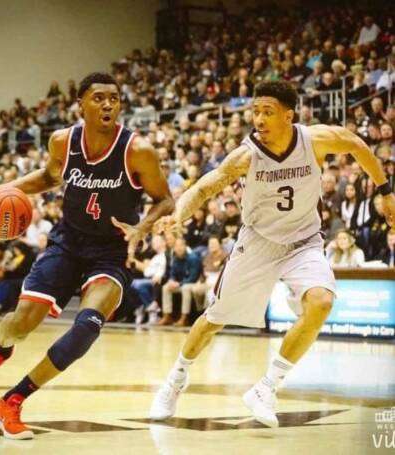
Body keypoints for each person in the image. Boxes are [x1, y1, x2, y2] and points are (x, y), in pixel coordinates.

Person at [150, 80, 395, 428]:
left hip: (304, 240)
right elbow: (205, 186)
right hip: (258, 243)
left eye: (267, 112)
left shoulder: (315, 140)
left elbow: (356, 144)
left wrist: (385, 191)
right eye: (255, 111)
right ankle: (176, 379)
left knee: (322, 302)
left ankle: (267, 388)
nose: (259, 119)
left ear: (288, 115)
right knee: (213, 321)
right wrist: (177, 214)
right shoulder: (246, 155)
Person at [0, 72, 174, 440]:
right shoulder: (63, 142)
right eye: (99, 98)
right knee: (22, 322)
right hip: (67, 243)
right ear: (81, 105)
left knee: (87, 326)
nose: (108, 104)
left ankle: (12, 400)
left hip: (111, 250)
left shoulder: (138, 151)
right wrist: (5, 188)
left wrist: (144, 227)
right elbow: (48, 177)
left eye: (114, 98)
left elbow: (166, 199)